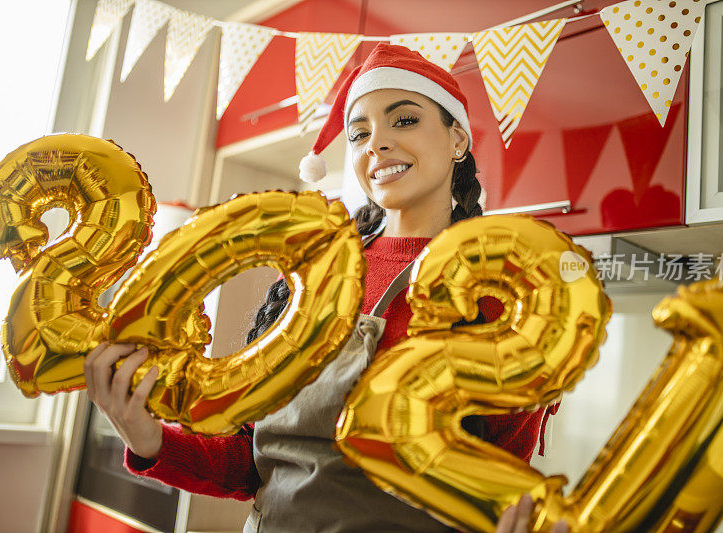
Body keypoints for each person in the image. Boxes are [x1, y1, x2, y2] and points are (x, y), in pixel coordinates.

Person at [84, 43, 562, 533]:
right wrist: (147, 438)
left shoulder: (499, 294)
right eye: (359, 134)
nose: (376, 144)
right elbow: (251, 463)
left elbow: (502, 489)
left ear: (458, 139)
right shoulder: (313, 268)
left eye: (404, 121)